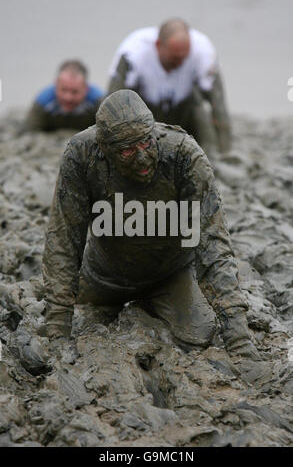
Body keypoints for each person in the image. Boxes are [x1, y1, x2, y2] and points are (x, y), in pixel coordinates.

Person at [42, 89, 259, 361]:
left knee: (199, 336)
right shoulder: (82, 153)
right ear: (106, 149)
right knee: (80, 328)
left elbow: (212, 243)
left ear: (154, 132)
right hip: (102, 275)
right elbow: (63, 238)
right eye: (127, 150)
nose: (142, 157)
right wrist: (57, 329)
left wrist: (238, 339)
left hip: (169, 274)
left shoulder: (184, 154)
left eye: (146, 143)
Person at [108, 19, 231, 153]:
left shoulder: (202, 51)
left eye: (184, 57)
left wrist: (225, 149)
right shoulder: (133, 52)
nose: (180, 62)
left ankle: (209, 154)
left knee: (201, 111)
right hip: (145, 114)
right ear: (158, 45)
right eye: (175, 58)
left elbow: (218, 105)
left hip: (183, 112)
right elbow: (113, 99)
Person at [25, 60, 103, 132]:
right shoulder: (43, 102)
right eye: (64, 90)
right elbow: (31, 129)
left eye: (74, 92)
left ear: (86, 88)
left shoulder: (99, 102)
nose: (68, 98)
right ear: (56, 84)